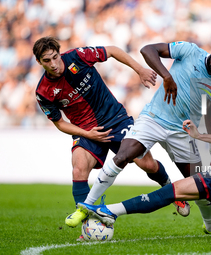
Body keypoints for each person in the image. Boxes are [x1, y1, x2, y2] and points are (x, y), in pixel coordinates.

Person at [68, 35, 211, 238]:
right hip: (153, 119)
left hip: (181, 131)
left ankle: (210, 227)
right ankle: (86, 206)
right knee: (122, 156)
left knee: (198, 181)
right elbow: (147, 50)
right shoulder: (189, 51)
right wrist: (166, 77)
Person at [33, 37, 171, 231]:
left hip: (116, 119)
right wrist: (87, 134)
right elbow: (60, 123)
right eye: (47, 61)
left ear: (59, 52)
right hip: (87, 130)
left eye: (55, 57)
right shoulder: (44, 91)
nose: (53, 64)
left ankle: (168, 187)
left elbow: (113, 49)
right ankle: (86, 227)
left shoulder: (78, 56)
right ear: (39, 62)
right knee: (78, 169)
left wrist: (139, 69)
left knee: (146, 163)